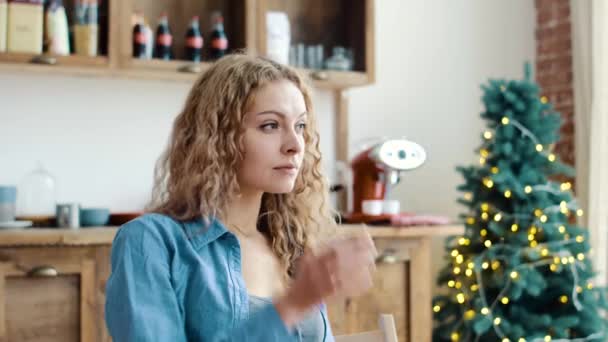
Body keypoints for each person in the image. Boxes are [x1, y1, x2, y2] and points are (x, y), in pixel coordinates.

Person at [105, 53, 377, 341]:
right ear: (219, 137)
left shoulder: (292, 248)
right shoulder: (152, 242)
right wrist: (292, 306)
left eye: (300, 126)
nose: (296, 145)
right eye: (270, 125)